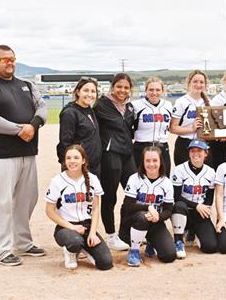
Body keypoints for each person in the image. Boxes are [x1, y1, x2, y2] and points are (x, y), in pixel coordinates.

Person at [0, 45, 47, 266]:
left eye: (12, 59)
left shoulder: (26, 84)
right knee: (2, 203)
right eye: (4, 59)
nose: (9, 63)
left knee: (26, 200)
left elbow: (41, 108)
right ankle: (1, 250)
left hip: (27, 151)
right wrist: (20, 129)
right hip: (1, 154)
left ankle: (23, 243)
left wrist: (33, 126)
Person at [45, 145, 113, 270]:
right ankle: (71, 251)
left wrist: (92, 233)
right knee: (74, 241)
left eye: (76, 158)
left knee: (105, 263)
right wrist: (72, 227)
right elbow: (49, 211)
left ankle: (84, 248)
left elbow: (96, 208)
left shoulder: (93, 179)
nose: (72, 161)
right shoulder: (57, 181)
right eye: (68, 158)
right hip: (65, 227)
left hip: (86, 226)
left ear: (83, 160)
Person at [93, 73, 137, 251]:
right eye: (119, 86)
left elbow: (130, 129)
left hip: (128, 154)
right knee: (109, 196)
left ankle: (126, 233)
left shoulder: (130, 107)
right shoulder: (101, 104)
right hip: (110, 154)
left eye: (126, 87)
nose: (122, 90)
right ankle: (111, 235)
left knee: (134, 193)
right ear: (112, 87)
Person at [121, 146, 176, 267]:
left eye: (155, 160)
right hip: (133, 221)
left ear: (161, 161)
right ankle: (134, 251)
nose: (151, 164)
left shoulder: (166, 182)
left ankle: (152, 242)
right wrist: (148, 207)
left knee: (169, 255)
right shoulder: (134, 178)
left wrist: (159, 217)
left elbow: (168, 210)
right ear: (143, 162)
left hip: (154, 222)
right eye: (148, 160)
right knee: (142, 217)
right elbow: (127, 206)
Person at [170, 139, 217, 258]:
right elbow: (176, 197)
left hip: (200, 213)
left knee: (210, 247)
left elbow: (209, 198)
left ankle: (194, 231)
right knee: (179, 206)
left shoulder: (210, 172)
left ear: (206, 153)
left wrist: (204, 209)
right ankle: (178, 240)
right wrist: (196, 206)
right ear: (189, 153)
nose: (196, 153)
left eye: (199, 150)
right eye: (192, 151)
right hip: (183, 211)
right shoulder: (179, 170)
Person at [56, 76, 101, 177]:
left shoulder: (90, 110)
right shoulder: (70, 113)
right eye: (86, 90)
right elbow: (65, 143)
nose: (90, 94)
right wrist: (69, 166)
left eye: (93, 91)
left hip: (94, 166)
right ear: (78, 92)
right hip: (79, 167)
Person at [132, 77, 173, 175]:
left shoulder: (168, 105)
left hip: (162, 146)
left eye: (158, 90)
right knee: (140, 179)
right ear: (145, 91)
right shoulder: (135, 105)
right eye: (151, 89)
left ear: (162, 91)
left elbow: (172, 125)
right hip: (141, 147)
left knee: (164, 177)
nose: (154, 93)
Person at [171, 70, 211, 166]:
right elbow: (173, 128)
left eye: (201, 82)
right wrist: (191, 129)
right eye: (195, 81)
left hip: (204, 143)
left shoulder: (209, 102)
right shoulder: (181, 102)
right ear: (189, 83)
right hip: (185, 144)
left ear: (205, 85)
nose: (198, 84)